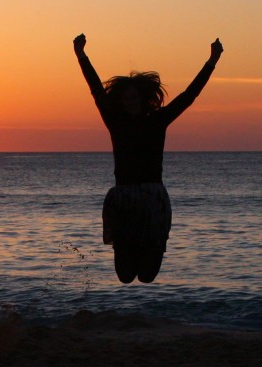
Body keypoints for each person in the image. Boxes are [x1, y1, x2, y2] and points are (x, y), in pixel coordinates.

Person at [73, 32, 224, 283]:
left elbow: (189, 96)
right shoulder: (115, 121)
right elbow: (96, 89)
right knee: (125, 276)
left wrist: (212, 60)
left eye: (132, 97)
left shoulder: (158, 121)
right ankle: (128, 244)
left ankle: (148, 245)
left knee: (147, 276)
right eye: (124, 98)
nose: (128, 102)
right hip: (123, 197)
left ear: (143, 98)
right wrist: (81, 55)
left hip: (152, 198)